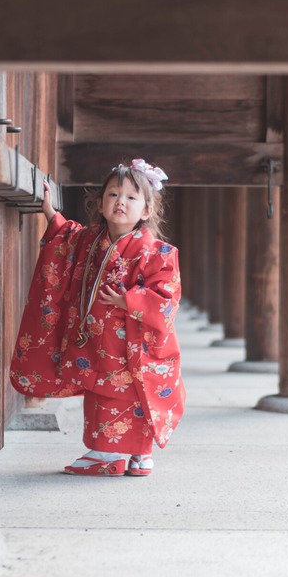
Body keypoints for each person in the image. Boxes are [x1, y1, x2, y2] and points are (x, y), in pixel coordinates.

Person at [11, 159, 186, 476]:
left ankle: (123, 454)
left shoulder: (157, 253)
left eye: (132, 198)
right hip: (96, 344)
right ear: (101, 204)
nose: (121, 202)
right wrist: (50, 213)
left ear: (146, 210)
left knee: (132, 394)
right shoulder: (89, 241)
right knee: (103, 392)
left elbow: (166, 297)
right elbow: (65, 236)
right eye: (113, 195)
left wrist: (127, 299)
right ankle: (119, 453)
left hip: (131, 347)